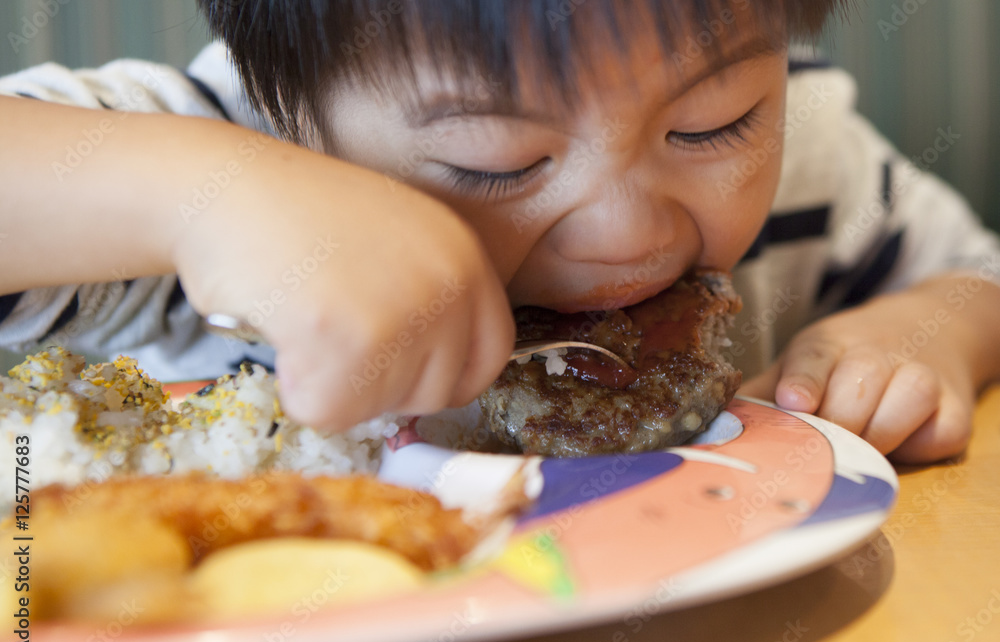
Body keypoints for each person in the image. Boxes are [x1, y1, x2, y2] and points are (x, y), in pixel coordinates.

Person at [1, 0, 998, 465]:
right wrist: (205, 198)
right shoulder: (204, 146)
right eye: (496, 161)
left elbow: (978, 278)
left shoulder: (813, 157)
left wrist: (925, 331)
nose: (624, 230)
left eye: (712, 123)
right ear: (295, 112)